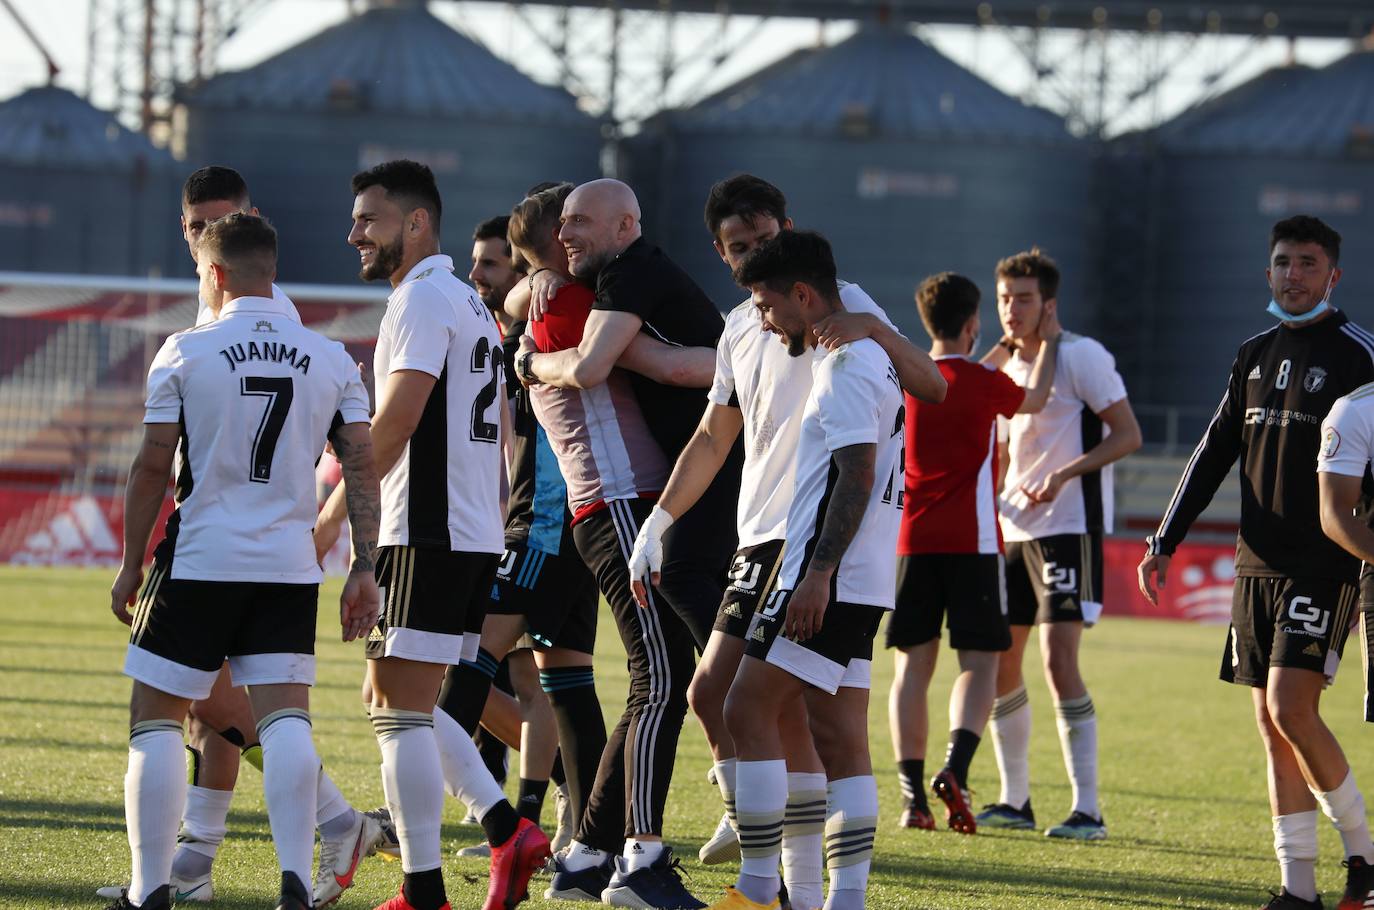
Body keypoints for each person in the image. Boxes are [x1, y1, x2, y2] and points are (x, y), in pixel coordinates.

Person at [625, 174, 944, 910]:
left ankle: (770, 878)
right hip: (772, 535)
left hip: (814, 547)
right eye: (738, 251)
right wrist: (659, 522)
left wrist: (880, 332)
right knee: (766, 712)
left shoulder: (846, 314)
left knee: (752, 706)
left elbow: (924, 395)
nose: (750, 263)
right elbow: (714, 437)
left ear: (791, 248)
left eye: (763, 245)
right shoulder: (744, 326)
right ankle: (798, 883)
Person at [99, 165, 392, 908]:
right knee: (285, 716)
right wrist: (365, 565)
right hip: (288, 566)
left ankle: (151, 886)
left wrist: (131, 563)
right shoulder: (331, 357)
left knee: (157, 714)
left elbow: (151, 466)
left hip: (201, 556)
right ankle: (294, 879)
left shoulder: (184, 351)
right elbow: (361, 465)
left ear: (218, 274)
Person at [329, 160, 549, 910]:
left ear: (417, 223)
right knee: (396, 701)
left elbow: (397, 421)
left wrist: (336, 525)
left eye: (369, 218)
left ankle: (430, 885)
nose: (354, 232)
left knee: (397, 711)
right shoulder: (466, 300)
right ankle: (498, 830)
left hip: (425, 530)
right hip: (464, 529)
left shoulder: (422, 298)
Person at [1142, 215, 1374, 910]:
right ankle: (1296, 888)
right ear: (1266, 272)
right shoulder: (1251, 352)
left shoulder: (1361, 357)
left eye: (1307, 263)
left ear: (1333, 275)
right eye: (1282, 262)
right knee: (1271, 727)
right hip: (1256, 564)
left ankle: (1364, 855)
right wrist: (1164, 539)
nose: (1292, 274)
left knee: (1290, 708)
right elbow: (1214, 450)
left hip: (1326, 563)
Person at [507, 181, 708, 909]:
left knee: (656, 676)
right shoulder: (567, 305)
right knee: (660, 676)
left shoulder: (546, 300)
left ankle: (588, 854)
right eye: (566, 226)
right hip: (618, 500)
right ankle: (638, 861)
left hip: (612, 501)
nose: (572, 236)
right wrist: (760, 360)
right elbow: (666, 366)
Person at [702, 229, 904, 910]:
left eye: (766, 304)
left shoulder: (845, 367)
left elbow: (856, 475)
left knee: (745, 706)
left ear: (805, 294)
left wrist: (817, 574)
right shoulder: (874, 356)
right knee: (839, 737)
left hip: (830, 577)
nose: (763, 319)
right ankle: (835, 901)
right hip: (865, 575)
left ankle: (758, 890)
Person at [974, 248, 1140, 841]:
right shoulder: (1008, 368)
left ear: (1049, 303)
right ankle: (1015, 800)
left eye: (1023, 298)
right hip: (1013, 529)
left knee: (1057, 662)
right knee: (999, 663)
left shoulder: (1080, 355)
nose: (1012, 310)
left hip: (1069, 529)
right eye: (1003, 298)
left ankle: (1088, 810)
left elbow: (1128, 434)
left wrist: (1066, 474)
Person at [885, 272, 1059, 834]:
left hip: (912, 539)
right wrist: (1048, 342)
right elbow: (1034, 397)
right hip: (974, 542)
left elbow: (957, 373)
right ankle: (955, 769)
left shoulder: (908, 379)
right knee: (979, 664)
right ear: (973, 323)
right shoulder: (985, 381)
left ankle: (912, 798)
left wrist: (994, 347)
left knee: (911, 668)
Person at [447, 212, 591, 857]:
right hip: (528, 520)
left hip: (547, 523)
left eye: (492, 263)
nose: (475, 275)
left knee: (465, 660)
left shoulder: (554, 314)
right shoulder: (509, 330)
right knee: (549, 684)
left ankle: (467, 810)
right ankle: (555, 823)